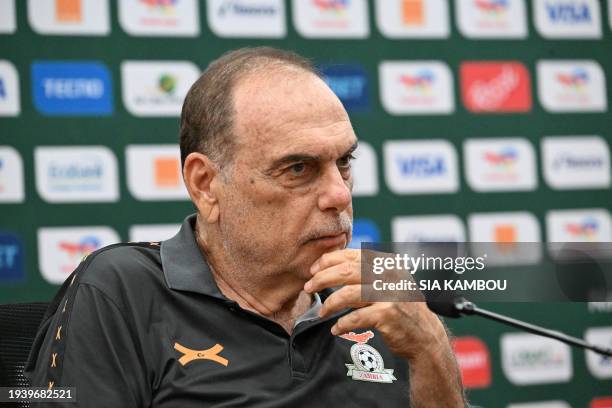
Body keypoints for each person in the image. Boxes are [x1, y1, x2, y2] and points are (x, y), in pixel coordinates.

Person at [25, 47, 466, 407]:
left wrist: (430, 347)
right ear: (207, 184)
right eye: (298, 168)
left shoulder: (381, 292)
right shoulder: (121, 287)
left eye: (344, 162)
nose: (339, 194)